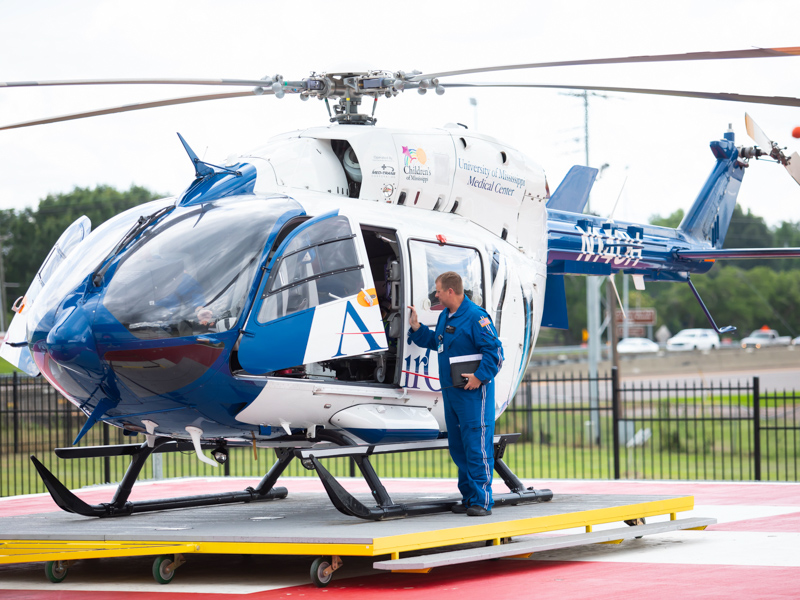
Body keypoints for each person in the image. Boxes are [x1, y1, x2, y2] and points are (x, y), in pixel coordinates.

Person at [408, 271, 504, 516]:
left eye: (438, 290)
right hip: (452, 393)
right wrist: (417, 328)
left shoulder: (475, 317)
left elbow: (495, 352)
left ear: (450, 291)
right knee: (459, 447)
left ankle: (482, 501)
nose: (435, 294)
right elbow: (437, 342)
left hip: (473, 395)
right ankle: (469, 497)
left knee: (476, 446)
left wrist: (479, 377)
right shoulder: (444, 316)